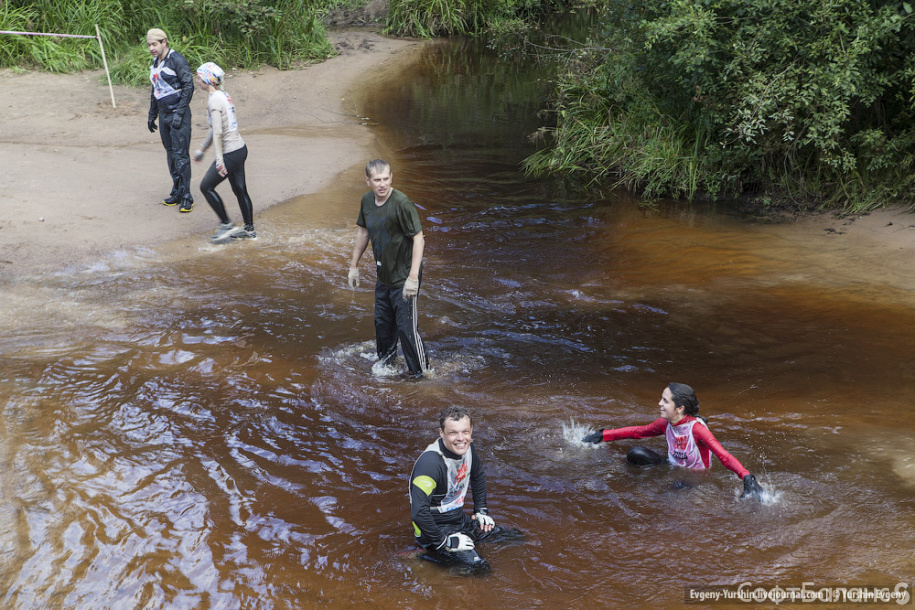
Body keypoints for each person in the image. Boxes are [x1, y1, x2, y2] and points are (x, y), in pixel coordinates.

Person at [582, 383, 766, 499]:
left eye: (665, 401)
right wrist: (604, 435)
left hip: (694, 477)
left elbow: (723, 455)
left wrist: (746, 476)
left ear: (679, 408)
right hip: (671, 464)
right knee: (634, 454)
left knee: (665, 496)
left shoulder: (698, 430)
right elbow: (638, 432)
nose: (659, 404)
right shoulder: (665, 423)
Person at [348, 159, 428, 376]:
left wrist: (413, 278)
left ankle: (422, 374)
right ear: (368, 181)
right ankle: (386, 366)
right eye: (377, 180)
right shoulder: (367, 201)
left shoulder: (402, 203)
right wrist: (353, 266)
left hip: (404, 275)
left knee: (406, 329)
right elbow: (363, 232)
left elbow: (418, 239)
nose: (382, 184)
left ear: (391, 178)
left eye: (386, 179)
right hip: (384, 275)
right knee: (383, 324)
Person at [409, 406, 499, 574]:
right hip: (433, 531)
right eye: (453, 433)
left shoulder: (468, 448)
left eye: (465, 432)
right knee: (480, 569)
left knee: (514, 538)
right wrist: (445, 542)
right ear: (441, 433)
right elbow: (419, 513)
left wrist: (481, 511)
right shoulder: (430, 464)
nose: (460, 438)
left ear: (471, 430)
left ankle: (440, 555)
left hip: (459, 520)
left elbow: (478, 475)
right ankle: (425, 555)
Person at [192, 62, 257, 241]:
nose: (197, 81)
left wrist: (219, 160)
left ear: (207, 80)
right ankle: (249, 230)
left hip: (229, 153)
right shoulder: (223, 95)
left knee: (205, 186)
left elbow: (219, 132)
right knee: (240, 190)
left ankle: (226, 224)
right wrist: (202, 149)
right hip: (240, 150)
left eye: (199, 77)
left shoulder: (213, 100)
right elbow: (215, 128)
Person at [146, 27, 195, 213]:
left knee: (181, 155)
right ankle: (177, 190)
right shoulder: (155, 62)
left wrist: (180, 113)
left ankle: (187, 196)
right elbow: (155, 89)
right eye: (149, 44)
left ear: (164, 42)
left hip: (178, 114)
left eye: (154, 44)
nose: (151, 48)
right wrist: (152, 114)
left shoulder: (177, 59)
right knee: (170, 154)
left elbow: (188, 86)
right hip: (164, 114)